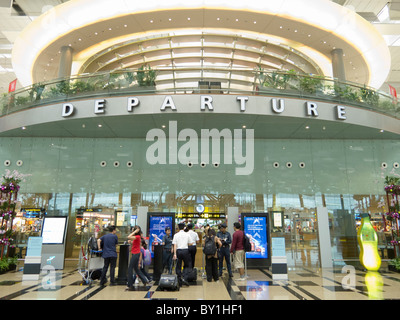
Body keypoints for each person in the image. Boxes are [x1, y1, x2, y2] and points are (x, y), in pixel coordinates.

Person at [126, 226, 150, 290]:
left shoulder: (137, 237)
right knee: (136, 269)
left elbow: (128, 236)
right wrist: (130, 242)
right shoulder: (137, 238)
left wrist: (134, 232)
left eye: (133, 230)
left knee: (130, 268)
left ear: (137, 231)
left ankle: (129, 284)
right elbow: (134, 244)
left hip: (136, 254)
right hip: (135, 254)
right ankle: (145, 280)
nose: (132, 231)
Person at [172, 222, 194, 287]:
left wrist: (175, 254)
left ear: (178, 228)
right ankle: (184, 277)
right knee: (187, 265)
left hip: (178, 251)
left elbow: (175, 245)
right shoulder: (187, 235)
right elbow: (191, 243)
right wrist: (186, 243)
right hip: (185, 251)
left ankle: (179, 280)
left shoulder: (176, 235)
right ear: (184, 227)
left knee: (178, 265)